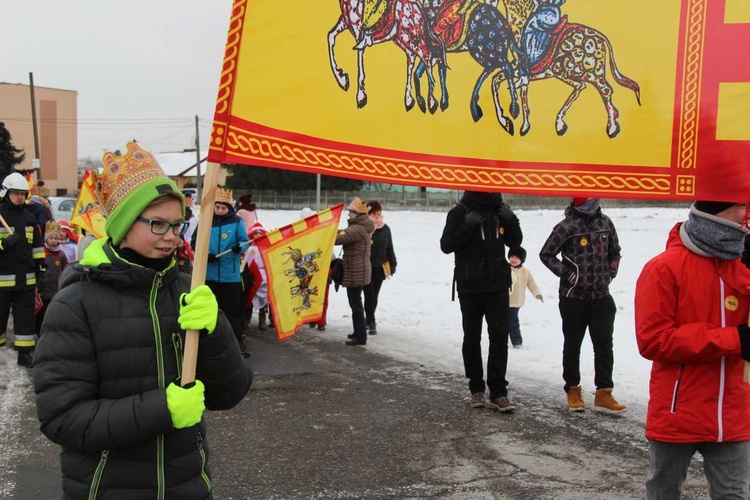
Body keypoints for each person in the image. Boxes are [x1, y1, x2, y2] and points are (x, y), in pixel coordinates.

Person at [33, 141, 252, 499]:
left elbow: (229, 393)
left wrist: (216, 330)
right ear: (122, 224)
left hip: (188, 487)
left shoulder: (186, 290)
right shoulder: (75, 304)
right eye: (157, 224)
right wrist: (162, 410)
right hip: (107, 489)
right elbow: (62, 419)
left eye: (177, 225)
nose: (171, 236)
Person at [635, 185, 750, 497]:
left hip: (734, 413)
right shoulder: (663, 268)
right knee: (664, 492)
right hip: (678, 413)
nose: (748, 214)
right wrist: (733, 339)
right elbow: (653, 340)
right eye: (742, 206)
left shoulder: (743, 264)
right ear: (719, 210)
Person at [539, 197, 625, 413]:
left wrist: (610, 273)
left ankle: (604, 392)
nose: (590, 200)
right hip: (573, 297)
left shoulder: (605, 223)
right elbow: (546, 254)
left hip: (601, 296)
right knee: (572, 345)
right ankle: (573, 389)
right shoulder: (566, 226)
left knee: (604, 345)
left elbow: (616, 252)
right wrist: (570, 275)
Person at [440, 191, 522, 411]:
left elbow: (515, 243)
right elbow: (446, 245)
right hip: (470, 285)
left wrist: (511, 220)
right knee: (472, 337)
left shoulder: (500, 211)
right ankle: (476, 388)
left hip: (497, 285)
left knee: (499, 338)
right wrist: (467, 225)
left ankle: (498, 392)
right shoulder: (460, 211)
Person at [194, 187, 251, 358]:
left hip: (230, 275)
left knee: (231, 310)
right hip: (210, 275)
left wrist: (238, 247)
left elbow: (245, 241)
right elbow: (194, 243)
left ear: (229, 208)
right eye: (217, 207)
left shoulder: (236, 222)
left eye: (223, 208)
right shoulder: (205, 220)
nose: (219, 211)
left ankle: (237, 342)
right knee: (212, 310)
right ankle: (212, 343)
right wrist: (205, 255)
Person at [0, 172, 44, 367]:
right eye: (16, 193)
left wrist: (40, 263)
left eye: (23, 194)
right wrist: (3, 244)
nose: (20, 197)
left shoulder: (29, 218)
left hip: (26, 278)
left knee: (25, 318)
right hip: (2, 279)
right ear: (6, 193)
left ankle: (24, 354)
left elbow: (36, 244)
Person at [337, 197, 375, 346]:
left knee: (356, 304)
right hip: (359, 269)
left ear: (357, 214)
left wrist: (325, 233)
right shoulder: (361, 227)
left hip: (355, 270)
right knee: (356, 302)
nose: (348, 214)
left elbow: (339, 238)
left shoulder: (357, 229)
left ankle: (361, 336)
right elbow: (344, 232)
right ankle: (358, 332)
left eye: (351, 212)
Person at [363, 200, 397, 335]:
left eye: (379, 214)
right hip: (366, 266)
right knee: (369, 294)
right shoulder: (365, 228)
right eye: (374, 214)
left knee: (374, 295)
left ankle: (368, 319)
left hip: (381, 267)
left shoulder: (385, 229)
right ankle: (371, 322)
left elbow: (390, 248)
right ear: (368, 214)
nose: (377, 217)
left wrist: (393, 264)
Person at [301, 207, 332, 332]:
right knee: (316, 296)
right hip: (317, 270)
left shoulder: (320, 233)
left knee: (315, 295)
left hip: (319, 270)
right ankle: (316, 319)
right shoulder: (322, 231)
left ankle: (318, 319)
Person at [35, 221, 68, 336]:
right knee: (40, 313)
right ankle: (39, 332)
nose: (54, 240)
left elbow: (65, 270)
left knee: (52, 312)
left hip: (55, 289)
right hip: (42, 290)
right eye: (51, 238)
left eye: (56, 238)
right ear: (46, 239)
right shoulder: (42, 253)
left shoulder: (61, 254)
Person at [507, 246, 543, 348]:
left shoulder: (525, 272)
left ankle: (513, 340)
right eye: (512, 257)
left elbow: (532, 284)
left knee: (511, 321)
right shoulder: (505, 269)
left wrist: (537, 293)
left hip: (517, 302)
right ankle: (509, 340)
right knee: (507, 322)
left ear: (522, 259)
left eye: (517, 258)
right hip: (504, 301)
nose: (513, 259)